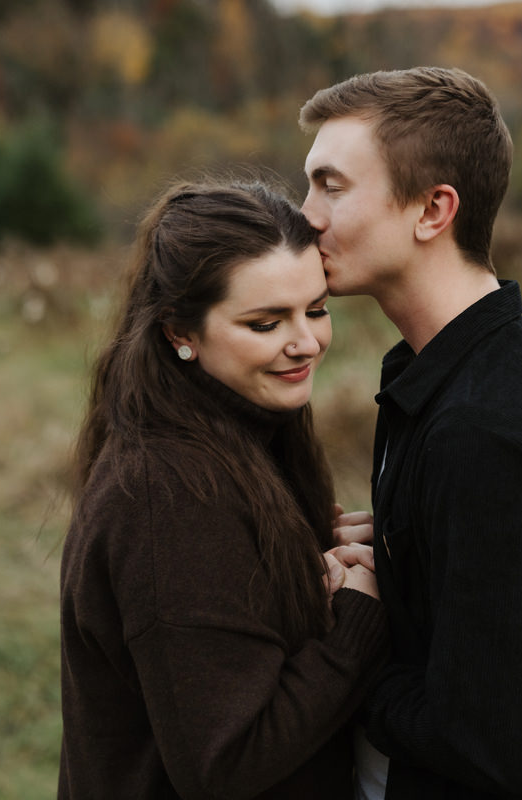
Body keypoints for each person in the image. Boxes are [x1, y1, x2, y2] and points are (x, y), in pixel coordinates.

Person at [298, 67, 522, 799]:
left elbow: (490, 745)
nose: (304, 214)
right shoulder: (435, 373)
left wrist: (350, 642)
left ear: (433, 210)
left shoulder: (484, 430)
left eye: (332, 186)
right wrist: (395, 558)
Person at [57, 178, 389, 799]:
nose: (305, 342)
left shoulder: (247, 428)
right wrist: (356, 626)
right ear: (180, 333)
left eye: (316, 310)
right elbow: (226, 762)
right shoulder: (171, 496)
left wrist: (320, 561)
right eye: (265, 323)